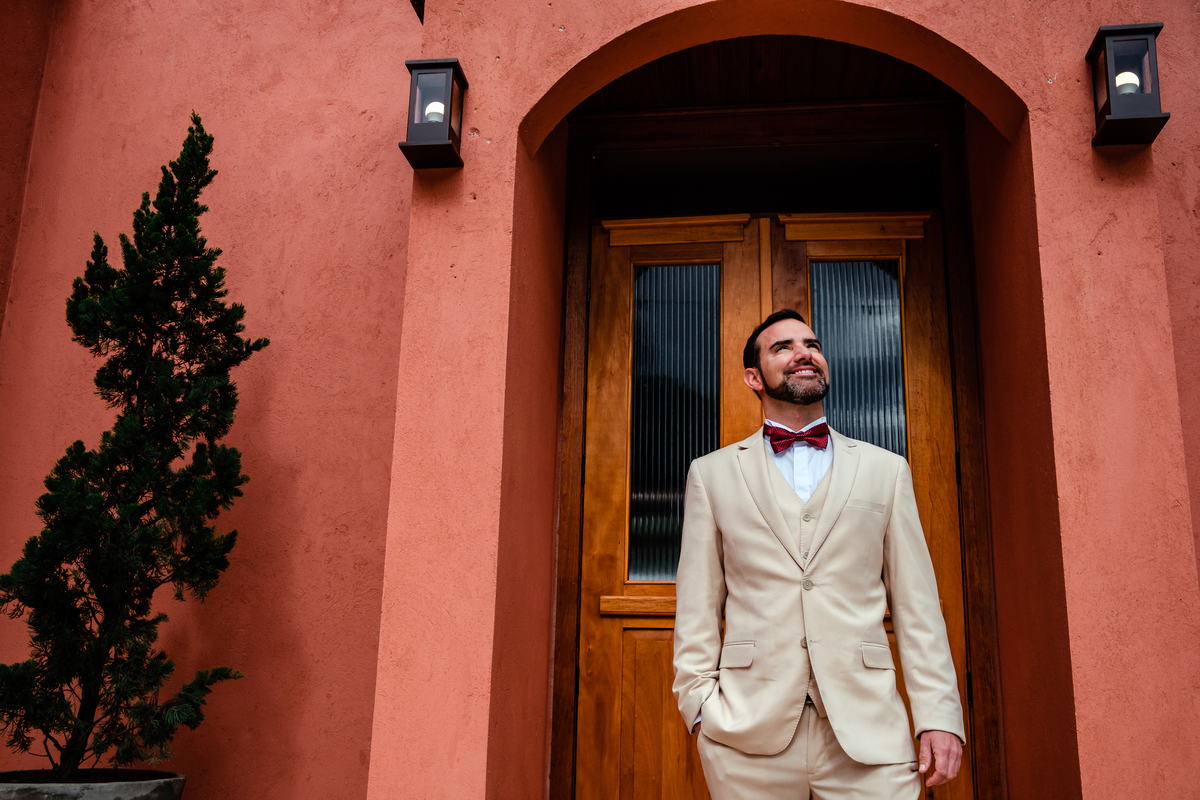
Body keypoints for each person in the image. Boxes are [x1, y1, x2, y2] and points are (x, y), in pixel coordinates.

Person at [672, 309, 965, 799]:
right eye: (782, 347)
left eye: (812, 344)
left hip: (869, 733)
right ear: (753, 377)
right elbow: (698, 605)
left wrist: (938, 715)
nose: (804, 353)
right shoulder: (712, 473)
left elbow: (919, 610)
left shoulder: (885, 470)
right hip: (746, 733)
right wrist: (699, 706)